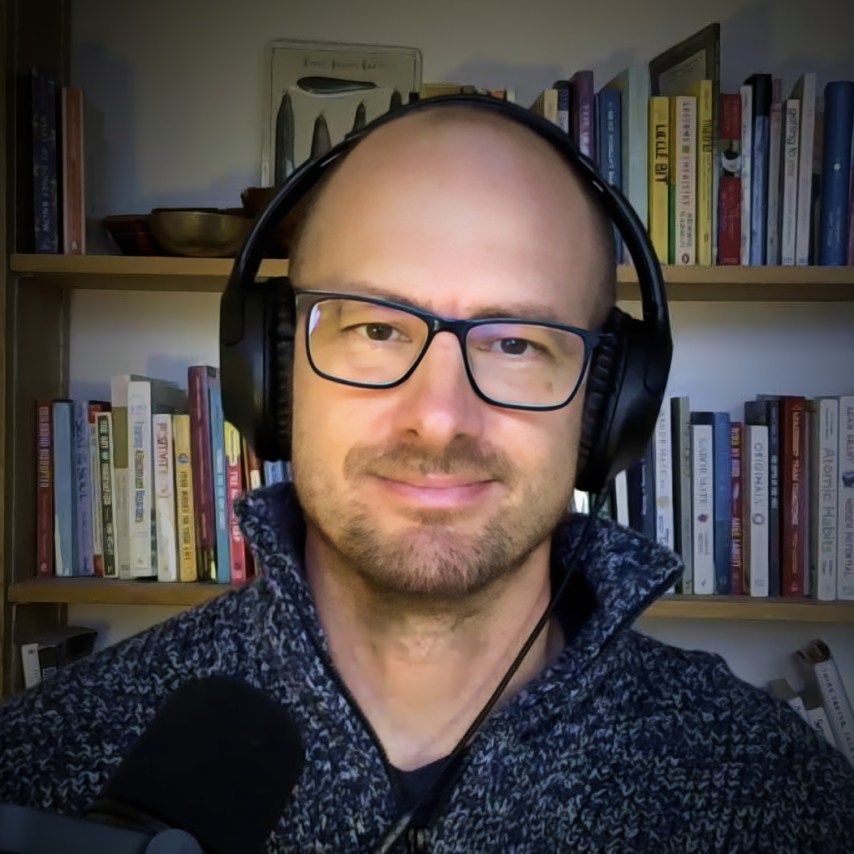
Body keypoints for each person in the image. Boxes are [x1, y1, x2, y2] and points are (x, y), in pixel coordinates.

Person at [1, 98, 853, 853]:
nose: (438, 416)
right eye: (374, 329)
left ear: (609, 409)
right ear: (270, 372)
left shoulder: (774, 789)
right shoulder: (39, 768)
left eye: (517, 342)